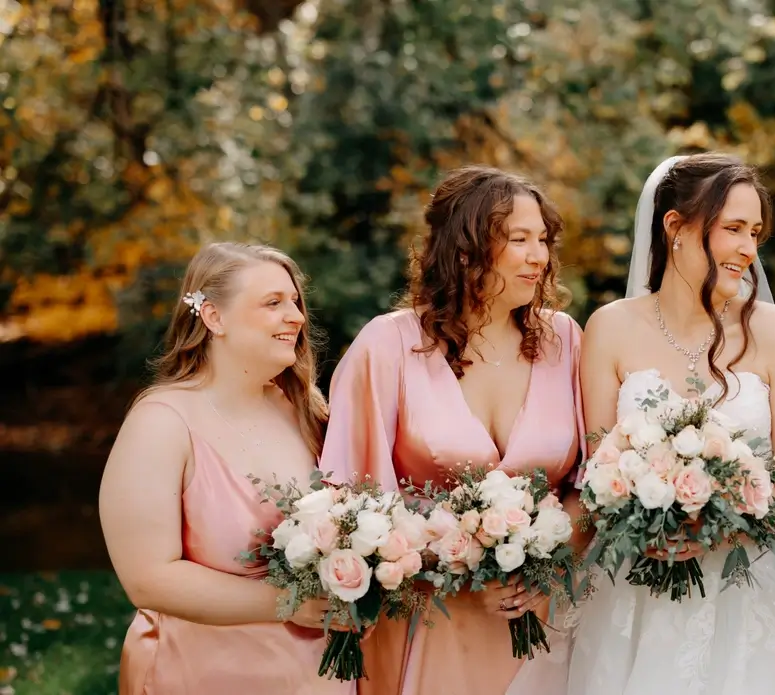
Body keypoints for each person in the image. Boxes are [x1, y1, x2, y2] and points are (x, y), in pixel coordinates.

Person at [560, 153, 775, 695]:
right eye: (732, 230)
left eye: (755, 233)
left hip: (751, 592)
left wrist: (719, 524)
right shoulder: (609, 329)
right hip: (634, 591)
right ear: (675, 228)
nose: (749, 249)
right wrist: (642, 518)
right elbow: (597, 474)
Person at [318, 166, 585, 695]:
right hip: (428, 620)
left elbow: (588, 483)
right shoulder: (388, 346)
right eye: (519, 240)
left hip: (542, 621)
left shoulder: (565, 341)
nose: (539, 256)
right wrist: (457, 562)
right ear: (465, 250)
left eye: (543, 240)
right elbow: (351, 500)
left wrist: (550, 564)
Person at [100, 242, 350, 694]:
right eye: (273, 303)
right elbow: (148, 579)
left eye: (294, 302)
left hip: (318, 676)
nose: (295, 316)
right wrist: (288, 603)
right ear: (214, 318)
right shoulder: (160, 423)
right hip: (204, 673)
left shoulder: (304, 411)